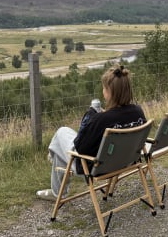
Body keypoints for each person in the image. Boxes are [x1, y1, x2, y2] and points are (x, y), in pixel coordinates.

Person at [36, 65, 146, 201]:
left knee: (61, 132)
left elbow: (80, 148)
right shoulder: (138, 111)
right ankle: (55, 167)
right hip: (126, 161)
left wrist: (90, 118)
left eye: (104, 88)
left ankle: (55, 176)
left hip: (95, 167)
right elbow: (120, 120)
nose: (103, 91)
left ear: (110, 92)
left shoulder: (101, 120)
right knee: (60, 146)